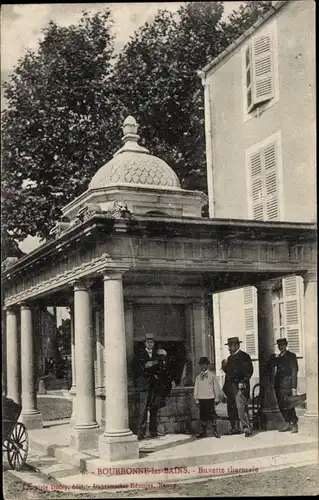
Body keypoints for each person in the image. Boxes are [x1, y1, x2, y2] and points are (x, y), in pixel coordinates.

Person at [222, 336, 253, 437]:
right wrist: (224, 366)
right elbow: (228, 371)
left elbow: (249, 372)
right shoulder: (230, 358)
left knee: (241, 407)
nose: (229, 348)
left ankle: (246, 428)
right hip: (230, 387)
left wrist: (243, 382)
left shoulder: (244, 356)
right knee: (231, 407)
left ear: (236, 345)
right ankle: (234, 428)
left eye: (230, 346)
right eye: (229, 346)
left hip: (240, 387)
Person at [270, 338, 299, 433]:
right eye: (279, 345)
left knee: (289, 405)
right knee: (281, 405)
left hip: (287, 385)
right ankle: (287, 423)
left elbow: (294, 371)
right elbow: (270, 364)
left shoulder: (291, 356)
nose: (280, 347)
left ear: (286, 345)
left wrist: (294, 387)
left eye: (282, 345)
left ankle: (294, 425)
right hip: (278, 385)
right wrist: (273, 357)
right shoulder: (278, 357)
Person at [134, 333, 159, 440]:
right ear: (145, 343)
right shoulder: (139, 354)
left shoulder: (156, 354)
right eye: (148, 342)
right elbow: (135, 368)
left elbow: (161, 367)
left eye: (151, 342)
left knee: (154, 407)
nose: (150, 344)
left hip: (154, 385)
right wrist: (145, 366)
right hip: (144, 385)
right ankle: (141, 432)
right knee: (143, 409)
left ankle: (153, 431)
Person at [194, 357, 222, 439]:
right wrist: (196, 398)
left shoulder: (212, 376)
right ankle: (203, 432)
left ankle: (215, 431)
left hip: (210, 398)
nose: (203, 366)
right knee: (202, 415)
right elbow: (196, 388)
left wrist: (217, 397)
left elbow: (216, 387)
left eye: (204, 364)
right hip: (201, 398)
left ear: (207, 365)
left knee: (212, 415)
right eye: (201, 364)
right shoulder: (198, 377)